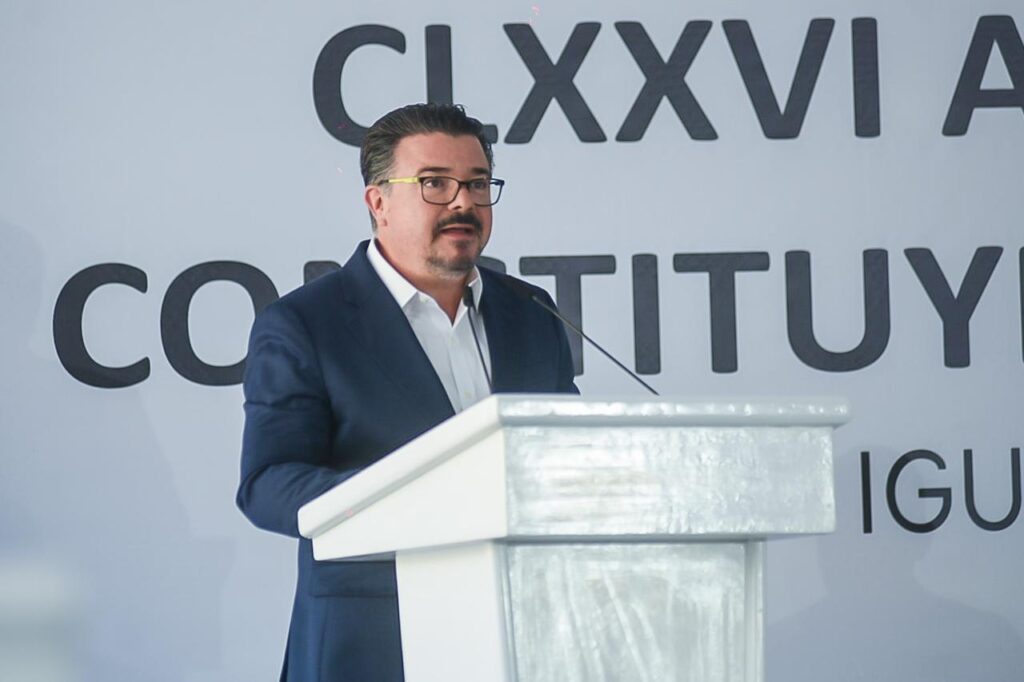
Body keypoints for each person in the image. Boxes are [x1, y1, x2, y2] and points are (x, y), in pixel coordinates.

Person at [237, 103, 577, 681]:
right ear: (378, 202)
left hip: (524, 633)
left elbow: (565, 457)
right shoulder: (306, 324)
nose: (463, 203)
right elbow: (268, 484)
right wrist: (425, 499)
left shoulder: (531, 311)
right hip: (375, 640)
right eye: (434, 184)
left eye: (476, 184)